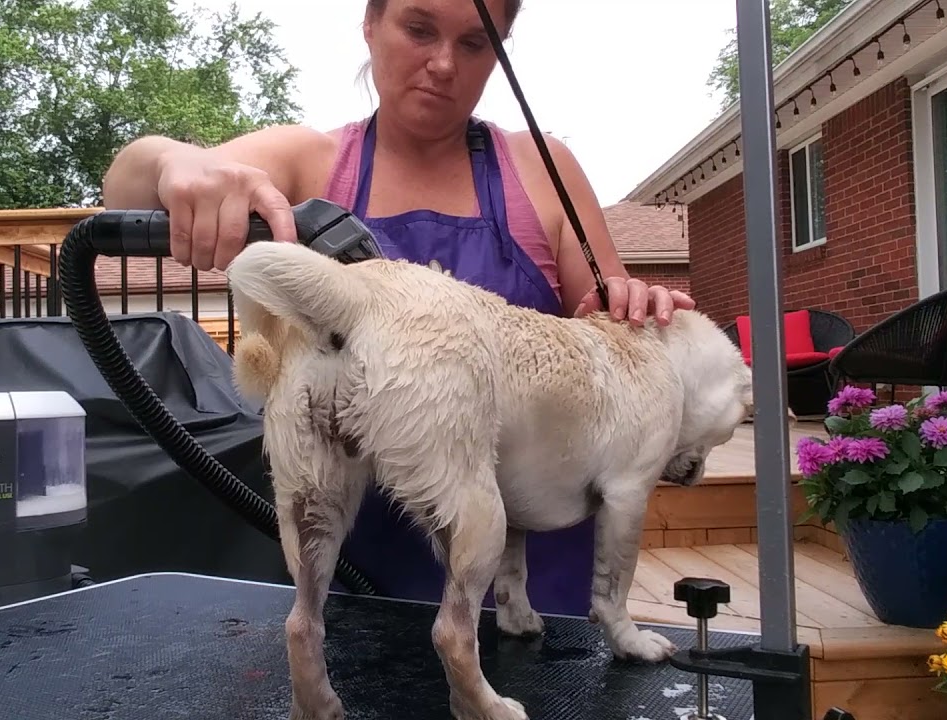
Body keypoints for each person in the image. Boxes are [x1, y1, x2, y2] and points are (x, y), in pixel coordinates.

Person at [102, 0, 694, 618]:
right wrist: (178, 162)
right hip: (359, 571)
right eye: (418, 29)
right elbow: (126, 184)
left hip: (532, 577)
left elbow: (604, 325)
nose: (442, 64)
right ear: (369, 24)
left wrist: (632, 311)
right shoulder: (311, 164)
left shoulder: (543, 170)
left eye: (473, 44)